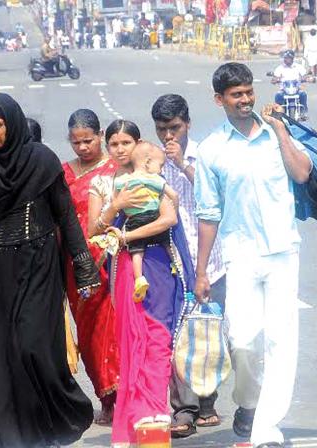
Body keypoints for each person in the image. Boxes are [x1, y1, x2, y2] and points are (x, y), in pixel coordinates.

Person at [0, 93, 96, 447]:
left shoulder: (42, 161)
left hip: (38, 264)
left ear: (11, 124)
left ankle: (55, 419)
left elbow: (65, 217)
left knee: (34, 348)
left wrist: (83, 264)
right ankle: (12, 435)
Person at [194, 63, 311, 448]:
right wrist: (202, 272)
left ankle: (267, 429)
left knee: (280, 340)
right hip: (240, 254)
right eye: (236, 95)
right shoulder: (212, 150)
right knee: (243, 340)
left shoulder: (278, 135)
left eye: (248, 92)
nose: (245, 100)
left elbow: (302, 174)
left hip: (282, 250)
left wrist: (280, 130)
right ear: (219, 100)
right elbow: (208, 214)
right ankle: (248, 401)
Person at [87, 120, 195, 447]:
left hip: (158, 266)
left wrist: (127, 235)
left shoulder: (153, 179)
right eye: (114, 144)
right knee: (131, 341)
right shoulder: (105, 184)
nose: (120, 150)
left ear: (138, 145)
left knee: (157, 336)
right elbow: (94, 230)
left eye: (126, 143)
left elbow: (169, 218)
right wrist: (116, 207)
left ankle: (154, 414)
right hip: (125, 269)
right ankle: (134, 420)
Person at [150, 94, 227, 438]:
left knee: (209, 333)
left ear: (187, 124)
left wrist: (182, 164)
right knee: (176, 335)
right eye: (163, 129)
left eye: (175, 128)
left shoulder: (206, 155)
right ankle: (183, 409)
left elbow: (217, 197)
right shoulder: (152, 161)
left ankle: (208, 402)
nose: (169, 136)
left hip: (212, 259)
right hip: (172, 263)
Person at [62, 108, 120, 425]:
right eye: (76, 143)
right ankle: (104, 396)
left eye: (88, 140)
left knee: (112, 329)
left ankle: (122, 395)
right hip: (74, 264)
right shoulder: (63, 173)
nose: (83, 148)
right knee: (88, 334)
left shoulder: (114, 170)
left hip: (110, 260)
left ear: (100, 136)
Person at [113, 144, 178, 302]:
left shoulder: (124, 180)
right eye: (160, 165)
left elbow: (115, 199)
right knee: (168, 243)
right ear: (148, 162)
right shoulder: (155, 179)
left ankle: (139, 278)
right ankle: (175, 264)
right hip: (154, 217)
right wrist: (174, 206)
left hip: (135, 220)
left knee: (137, 252)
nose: (161, 170)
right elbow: (173, 195)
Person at [271, 50, 308, 115]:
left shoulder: (298, 67)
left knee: (303, 94)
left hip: (296, 89)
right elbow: (275, 77)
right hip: (284, 90)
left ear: (292, 58)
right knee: (278, 95)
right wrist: (275, 80)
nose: (286, 59)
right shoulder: (280, 68)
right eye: (285, 58)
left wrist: (305, 79)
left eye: (288, 58)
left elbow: (304, 75)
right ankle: (278, 112)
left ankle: (303, 112)